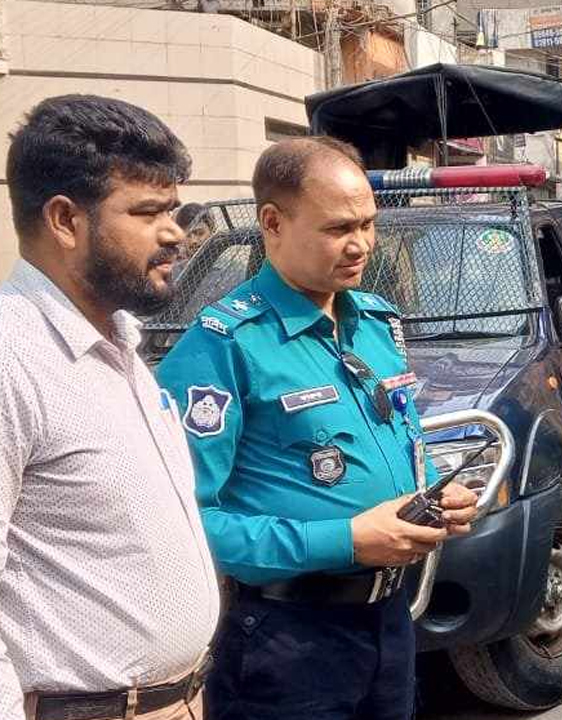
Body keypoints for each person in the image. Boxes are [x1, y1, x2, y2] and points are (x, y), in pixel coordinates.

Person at [156, 137, 479, 720]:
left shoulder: (375, 322)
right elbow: (188, 528)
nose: (360, 246)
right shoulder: (222, 348)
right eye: (338, 229)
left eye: (368, 225)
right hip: (286, 642)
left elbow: (405, 440)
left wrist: (434, 492)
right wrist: (345, 541)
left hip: (388, 622)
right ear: (273, 222)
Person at [0, 95, 220, 719]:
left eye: (173, 209)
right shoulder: (11, 358)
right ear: (66, 220)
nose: (175, 233)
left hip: (178, 700)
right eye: (148, 211)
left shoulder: (120, 343)